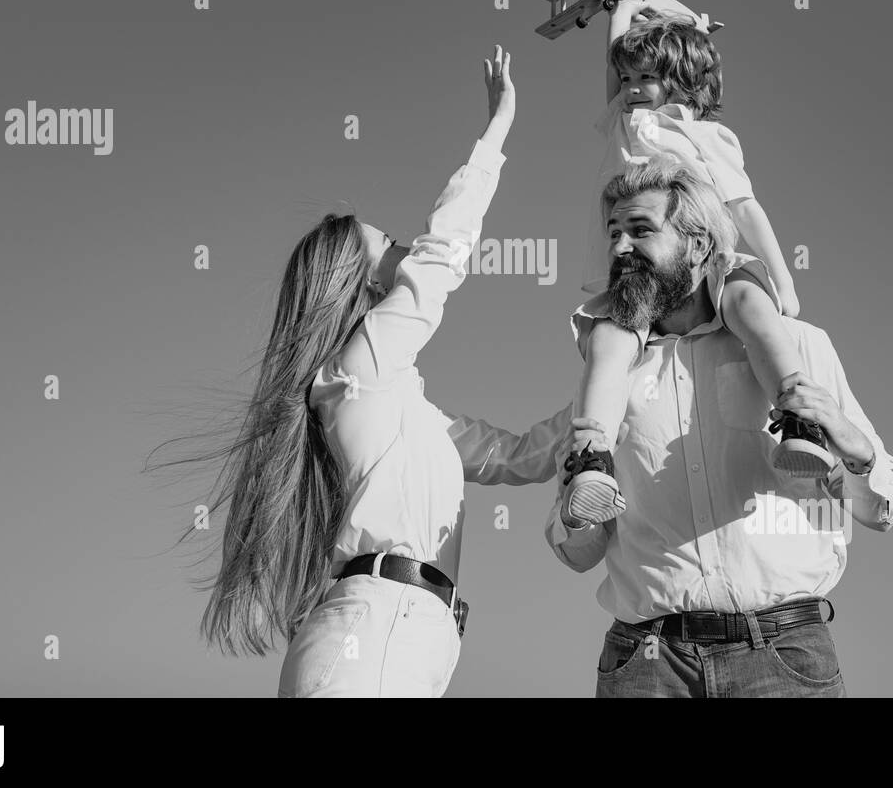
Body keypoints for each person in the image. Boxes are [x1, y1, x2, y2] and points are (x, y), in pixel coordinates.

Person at [165, 45, 599, 697]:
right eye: (388, 243)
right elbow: (438, 265)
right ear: (360, 286)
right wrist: (496, 133)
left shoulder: (406, 408)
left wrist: (614, 384)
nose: (404, 248)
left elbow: (519, 457)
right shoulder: (352, 375)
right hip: (370, 635)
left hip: (409, 638)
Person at [547, 157, 893, 697]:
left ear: (698, 245)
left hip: (782, 657)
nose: (620, 248)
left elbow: (884, 508)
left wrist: (858, 454)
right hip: (646, 664)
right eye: (613, 233)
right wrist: (576, 503)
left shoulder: (798, 346)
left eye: (641, 230)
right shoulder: (609, 374)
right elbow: (575, 552)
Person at [565, 0, 834, 528]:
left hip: (706, 254)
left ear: (682, 81)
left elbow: (745, 208)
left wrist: (784, 281)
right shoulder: (625, 123)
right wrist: (621, 3)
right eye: (625, 79)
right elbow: (613, 63)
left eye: (645, 77)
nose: (631, 88)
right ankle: (592, 457)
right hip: (644, 273)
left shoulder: (706, 138)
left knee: (753, 315)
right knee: (609, 342)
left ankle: (800, 417)